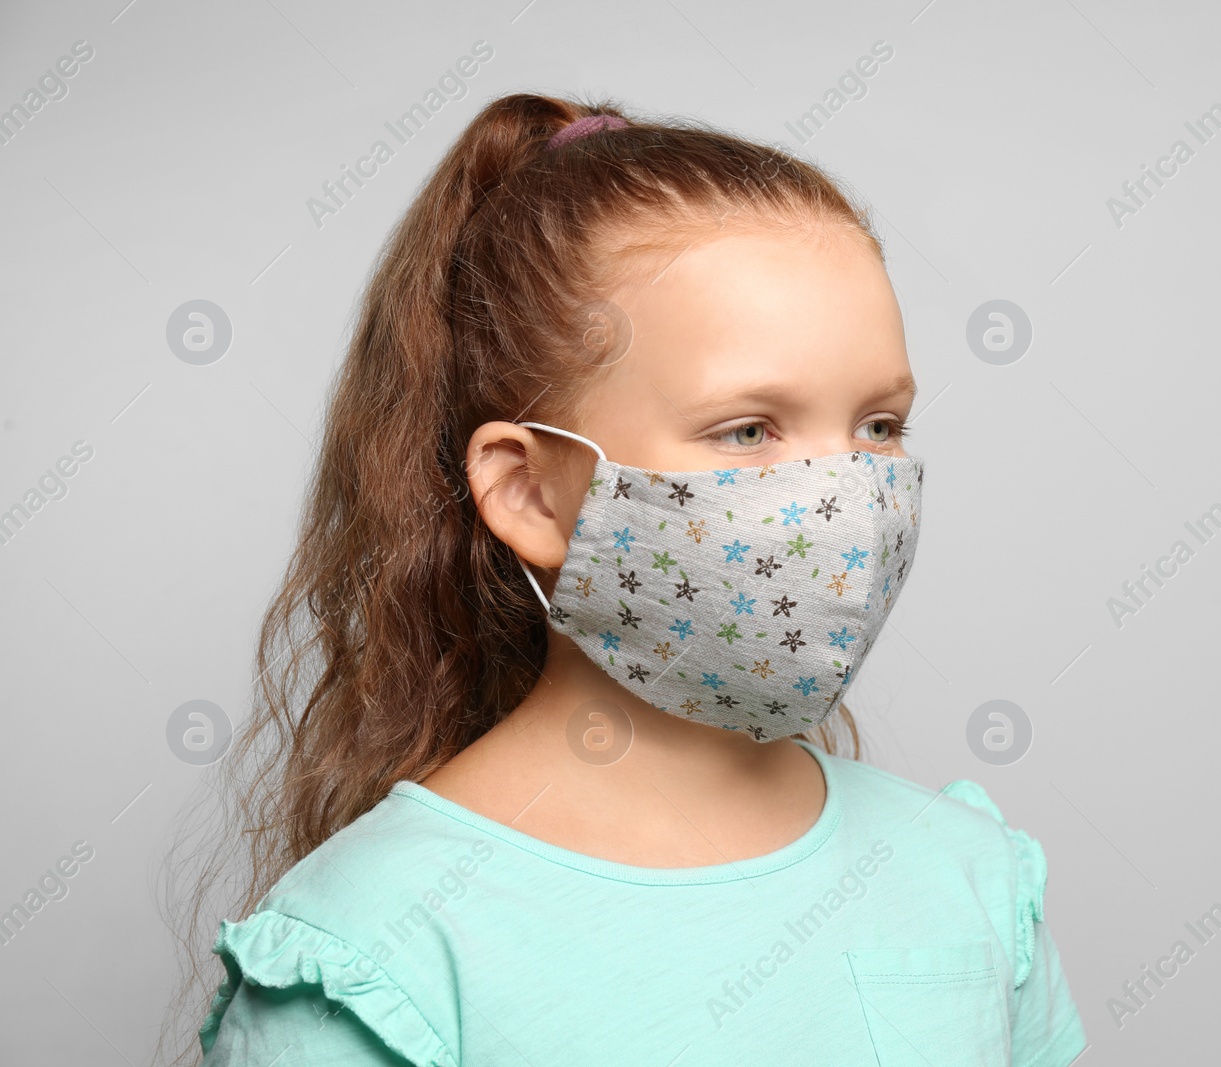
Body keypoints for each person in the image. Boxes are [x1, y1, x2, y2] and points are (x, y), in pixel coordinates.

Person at [189, 93, 1087, 1065]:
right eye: (748, 429)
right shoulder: (378, 952)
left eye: (879, 427)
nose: (850, 498)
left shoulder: (963, 872)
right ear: (529, 491)